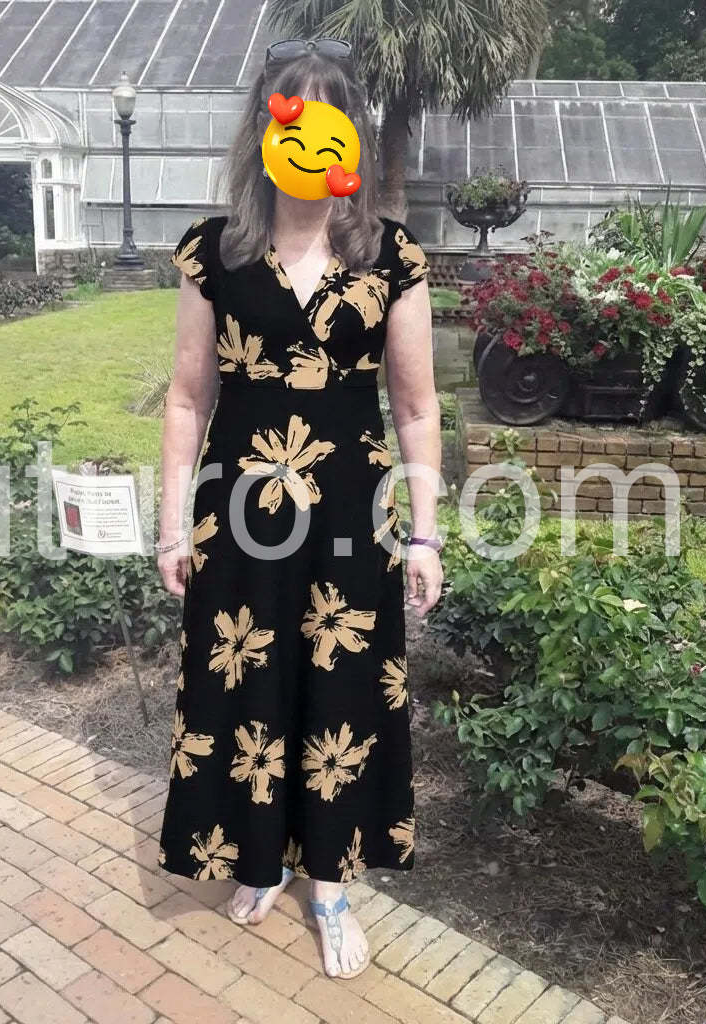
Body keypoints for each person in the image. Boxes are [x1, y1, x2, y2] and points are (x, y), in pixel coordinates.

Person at [154, 38, 443, 981]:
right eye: (291, 117)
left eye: (328, 119)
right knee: (246, 686)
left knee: (340, 694)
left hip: (353, 518)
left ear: (350, 135)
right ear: (263, 130)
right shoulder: (216, 252)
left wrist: (427, 533)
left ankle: (329, 885)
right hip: (236, 515)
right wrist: (169, 525)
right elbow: (187, 397)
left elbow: (416, 407)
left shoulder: (392, 256)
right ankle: (259, 857)